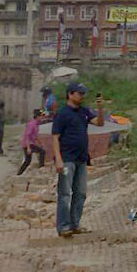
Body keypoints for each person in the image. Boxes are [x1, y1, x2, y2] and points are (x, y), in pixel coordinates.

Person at [52, 82, 104, 238]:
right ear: (70, 94)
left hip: (81, 159)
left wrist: (101, 108)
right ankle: (63, 226)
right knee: (65, 193)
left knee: (80, 193)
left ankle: (75, 224)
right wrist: (58, 160)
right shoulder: (62, 114)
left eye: (83, 94)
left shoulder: (84, 112)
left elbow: (100, 123)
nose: (82, 96)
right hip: (67, 159)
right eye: (79, 93)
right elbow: (55, 138)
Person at [17, 109, 46, 175]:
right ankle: (19, 173)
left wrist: (41, 143)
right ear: (37, 116)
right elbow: (27, 136)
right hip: (27, 144)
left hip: (31, 144)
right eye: (41, 116)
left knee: (41, 151)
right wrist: (28, 148)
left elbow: (36, 136)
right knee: (28, 161)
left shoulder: (37, 124)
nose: (43, 118)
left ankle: (19, 173)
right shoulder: (31, 124)